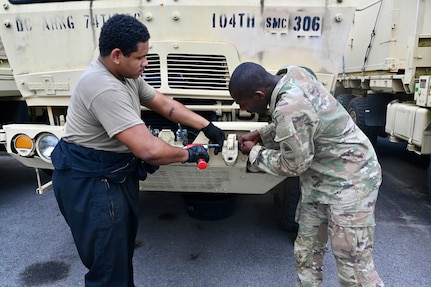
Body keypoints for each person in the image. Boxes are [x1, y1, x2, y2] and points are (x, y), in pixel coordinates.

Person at [51, 14, 224, 287]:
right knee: (108, 271)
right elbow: (148, 149)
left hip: (111, 176)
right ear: (117, 55)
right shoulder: (102, 86)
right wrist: (190, 153)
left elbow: (163, 104)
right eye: (141, 57)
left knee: (118, 260)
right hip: (92, 184)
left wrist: (207, 125)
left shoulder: (126, 74)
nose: (146, 63)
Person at [228, 62, 384, 287]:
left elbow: (293, 165)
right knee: (306, 254)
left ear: (259, 95)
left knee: (355, 271)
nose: (244, 109)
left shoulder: (289, 106)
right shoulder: (291, 74)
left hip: (351, 182)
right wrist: (261, 134)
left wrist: (255, 153)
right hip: (319, 182)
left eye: (244, 103)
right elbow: (301, 123)